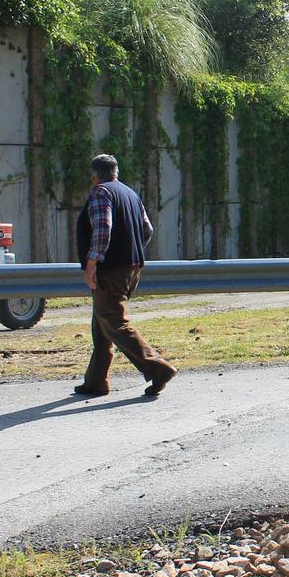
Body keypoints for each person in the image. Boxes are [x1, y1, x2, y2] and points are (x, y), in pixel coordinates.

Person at [73, 154, 177, 398]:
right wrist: (131, 251)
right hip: (131, 267)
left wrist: (92, 263)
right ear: (115, 172)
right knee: (102, 321)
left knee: (115, 322)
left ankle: (157, 368)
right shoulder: (130, 194)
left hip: (110, 269)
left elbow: (103, 228)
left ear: (94, 175)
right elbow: (147, 229)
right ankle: (96, 380)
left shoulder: (101, 192)